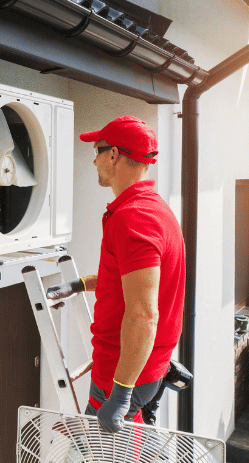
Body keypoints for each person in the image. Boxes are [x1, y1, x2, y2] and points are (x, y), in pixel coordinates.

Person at [47, 116, 185, 433]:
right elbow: (129, 281)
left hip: (122, 373)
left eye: (97, 150)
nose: (94, 159)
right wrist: (78, 285)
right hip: (136, 367)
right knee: (107, 446)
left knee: (100, 453)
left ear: (114, 155)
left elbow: (144, 314)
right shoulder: (150, 209)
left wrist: (121, 394)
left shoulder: (134, 218)